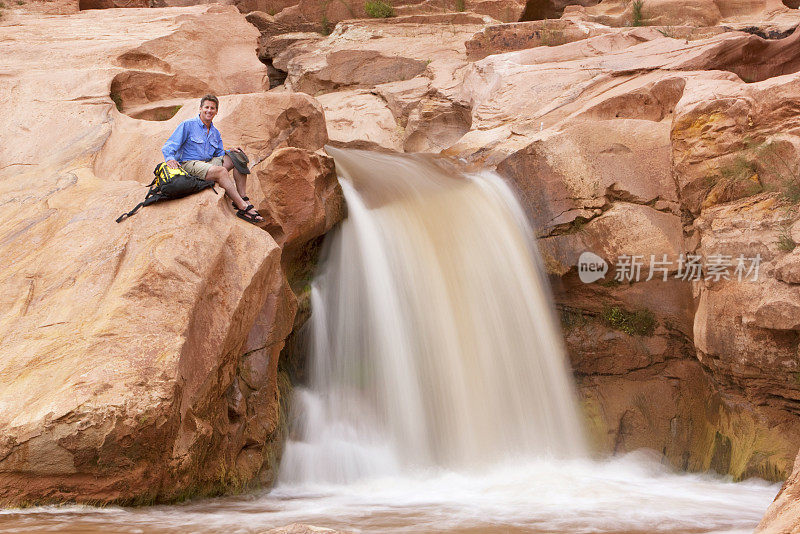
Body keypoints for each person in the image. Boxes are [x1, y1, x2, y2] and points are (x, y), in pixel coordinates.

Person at [162, 94, 264, 224]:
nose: (209, 110)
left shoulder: (215, 132)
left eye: (212, 108)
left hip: (208, 164)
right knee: (221, 171)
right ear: (200, 109)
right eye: (206, 107)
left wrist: (230, 151)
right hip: (190, 164)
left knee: (238, 157)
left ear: (216, 111)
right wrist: (170, 158)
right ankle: (242, 207)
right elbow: (169, 145)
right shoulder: (188, 125)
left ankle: (243, 196)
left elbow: (219, 153)